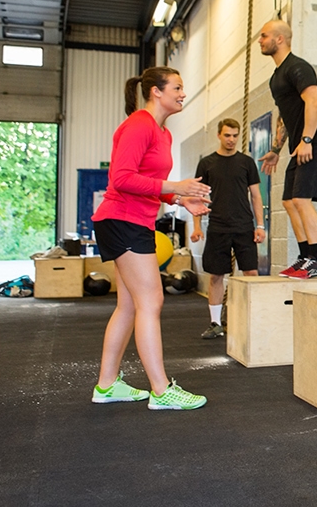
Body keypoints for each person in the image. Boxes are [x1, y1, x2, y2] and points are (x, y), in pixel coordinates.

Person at [91, 66, 212, 410]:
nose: (183, 93)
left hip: (135, 220)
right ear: (156, 92)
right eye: (177, 87)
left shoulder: (163, 133)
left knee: (129, 304)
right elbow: (121, 178)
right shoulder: (138, 125)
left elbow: (147, 183)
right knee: (151, 301)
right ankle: (161, 390)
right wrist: (174, 186)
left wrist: (178, 199)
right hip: (121, 219)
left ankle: (107, 385)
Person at [257, 19, 317, 279]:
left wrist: (306, 140)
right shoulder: (276, 78)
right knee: (289, 201)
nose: (260, 40)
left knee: (301, 199)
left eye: (264, 36)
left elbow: (313, 103)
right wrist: (276, 149)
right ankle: (306, 256)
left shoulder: (298, 67)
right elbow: (285, 116)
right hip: (299, 145)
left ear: (279, 39)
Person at [190, 118, 265, 339]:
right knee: (216, 275)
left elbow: (256, 195)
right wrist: (197, 227)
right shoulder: (207, 163)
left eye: (234, 135)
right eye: (227, 135)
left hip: (244, 226)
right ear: (219, 136)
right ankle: (215, 323)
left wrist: (260, 225)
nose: (231, 140)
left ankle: (252, 317)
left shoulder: (246, 162)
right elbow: (198, 196)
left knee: (251, 272)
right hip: (218, 227)